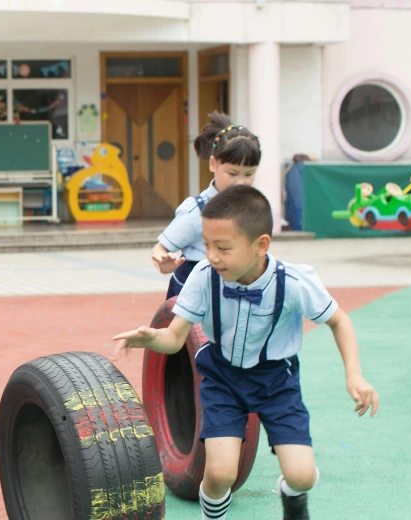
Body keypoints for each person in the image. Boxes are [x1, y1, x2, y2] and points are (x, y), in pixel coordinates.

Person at [113, 184, 379, 520]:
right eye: (207, 245)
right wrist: (152, 338)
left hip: (276, 382)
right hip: (222, 378)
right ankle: (214, 514)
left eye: (223, 247)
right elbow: (175, 338)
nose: (211, 256)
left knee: (302, 475)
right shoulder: (203, 277)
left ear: (260, 245)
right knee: (219, 474)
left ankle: (291, 493)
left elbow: (339, 320)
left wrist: (354, 374)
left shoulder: (294, 282)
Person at [154, 111, 261, 298]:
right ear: (213, 164)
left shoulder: (253, 208)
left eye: (249, 173)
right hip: (195, 298)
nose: (241, 182)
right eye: (233, 174)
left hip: (234, 297)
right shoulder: (196, 212)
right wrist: (163, 261)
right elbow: (160, 248)